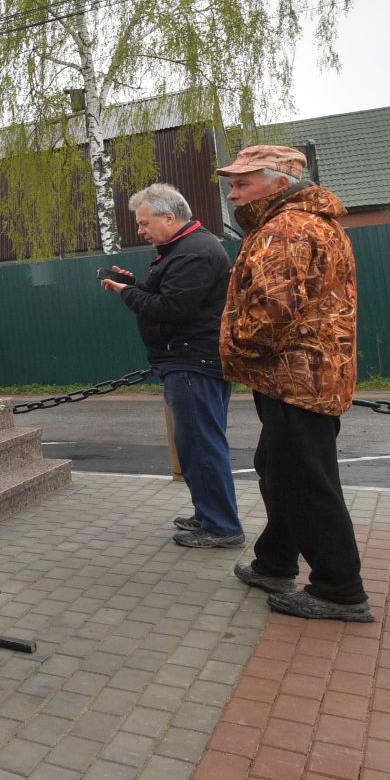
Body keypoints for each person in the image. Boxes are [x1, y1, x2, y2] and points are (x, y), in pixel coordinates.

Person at [216, 144, 371, 622]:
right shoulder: (311, 223)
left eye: (243, 184)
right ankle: (275, 561)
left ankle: (339, 589)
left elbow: (270, 313)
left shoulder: (285, 229)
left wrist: (233, 351)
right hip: (305, 376)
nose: (233, 194)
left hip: (295, 378)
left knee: (304, 481)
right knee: (278, 467)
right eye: (232, 185)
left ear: (279, 185)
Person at [101, 183, 238, 548]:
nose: (141, 231)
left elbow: (174, 309)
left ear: (169, 217)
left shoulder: (193, 252)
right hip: (191, 360)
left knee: (201, 446)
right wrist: (133, 284)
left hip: (194, 362)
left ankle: (222, 527)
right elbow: (168, 295)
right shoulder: (184, 248)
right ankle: (209, 514)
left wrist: (125, 292)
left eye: (145, 223)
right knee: (196, 445)